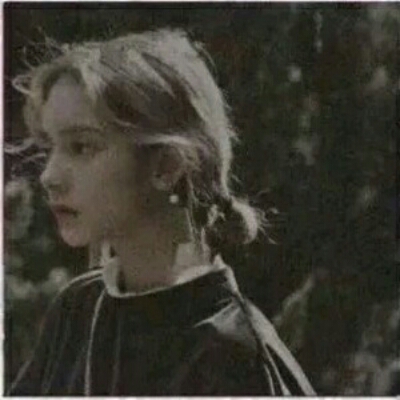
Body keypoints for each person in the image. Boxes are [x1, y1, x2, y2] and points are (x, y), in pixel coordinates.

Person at [8, 29, 315, 396]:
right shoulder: (78, 311)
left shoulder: (233, 355)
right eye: (50, 147)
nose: (49, 176)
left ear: (167, 166)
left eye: (82, 147)